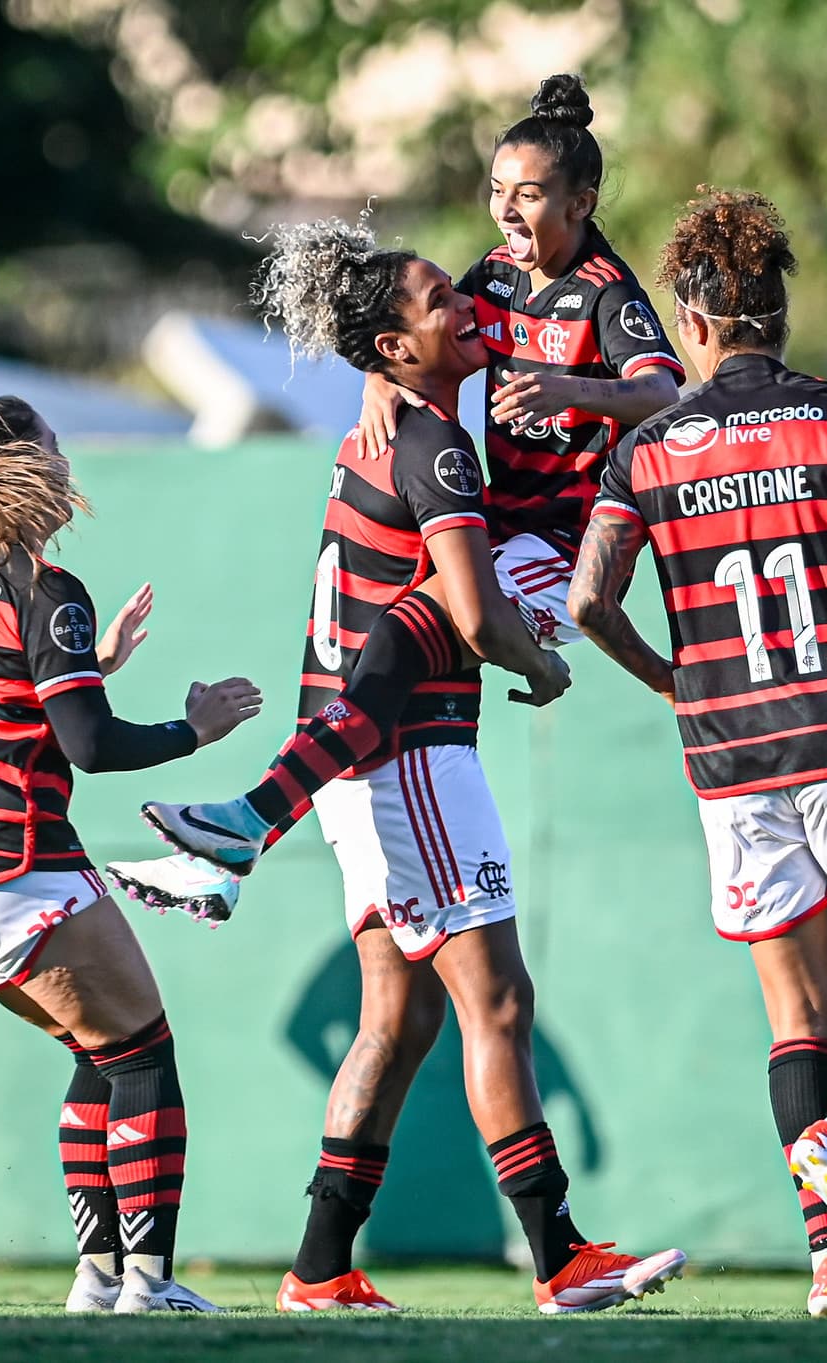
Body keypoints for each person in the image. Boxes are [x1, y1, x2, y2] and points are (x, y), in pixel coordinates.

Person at [112, 221, 685, 1314]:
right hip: (408, 760)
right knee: (498, 1002)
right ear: (391, 347)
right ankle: (559, 1256)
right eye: (436, 303)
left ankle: (319, 1266)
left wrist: (383, 384)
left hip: (352, 762)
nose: (463, 305)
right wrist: (542, 663)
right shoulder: (435, 447)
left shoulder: (386, 426)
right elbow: (471, 616)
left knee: (398, 1020)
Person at [565, 189, 827, 1321]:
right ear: (778, 314)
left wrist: (673, 682)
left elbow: (588, 602)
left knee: (798, 1022)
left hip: (732, 757)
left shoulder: (646, 452)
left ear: (694, 324)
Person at [134, 73, 679, 879]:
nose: (506, 211)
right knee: (386, 651)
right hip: (509, 529)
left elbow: (663, 394)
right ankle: (238, 841)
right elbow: (415, 320)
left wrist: (574, 390)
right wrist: (375, 376)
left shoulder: (606, 294)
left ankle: (251, 820)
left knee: (396, 636)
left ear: (580, 205)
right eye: (497, 190)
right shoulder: (498, 275)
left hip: (567, 547)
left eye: (528, 195)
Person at [0, 396, 262, 1313]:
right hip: (7, 861)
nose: (65, 460)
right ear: (23, 466)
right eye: (52, 445)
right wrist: (194, 729)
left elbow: (2, 702)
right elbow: (88, 746)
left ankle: (97, 1278)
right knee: (143, 1055)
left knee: (100, 1051)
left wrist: (94, 666)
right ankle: (150, 1283)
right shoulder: (47, 588)